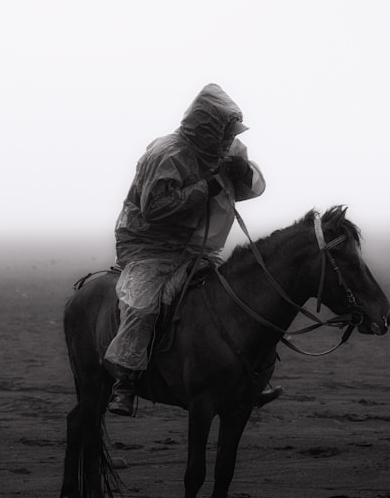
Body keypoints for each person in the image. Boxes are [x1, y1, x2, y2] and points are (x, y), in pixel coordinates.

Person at [104, 83, 282, 416]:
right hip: (150, 246)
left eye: (233, 133)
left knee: (234, 300)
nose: (231, 139)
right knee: (143, 307)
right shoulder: (168, 154)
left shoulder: (226, 149)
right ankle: (125, 381)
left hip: (198, 249)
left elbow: (254, 185)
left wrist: (243, 172)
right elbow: (155, 207)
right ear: (210, 128)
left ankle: (246, 380)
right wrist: (207, 186)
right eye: (226, 132)